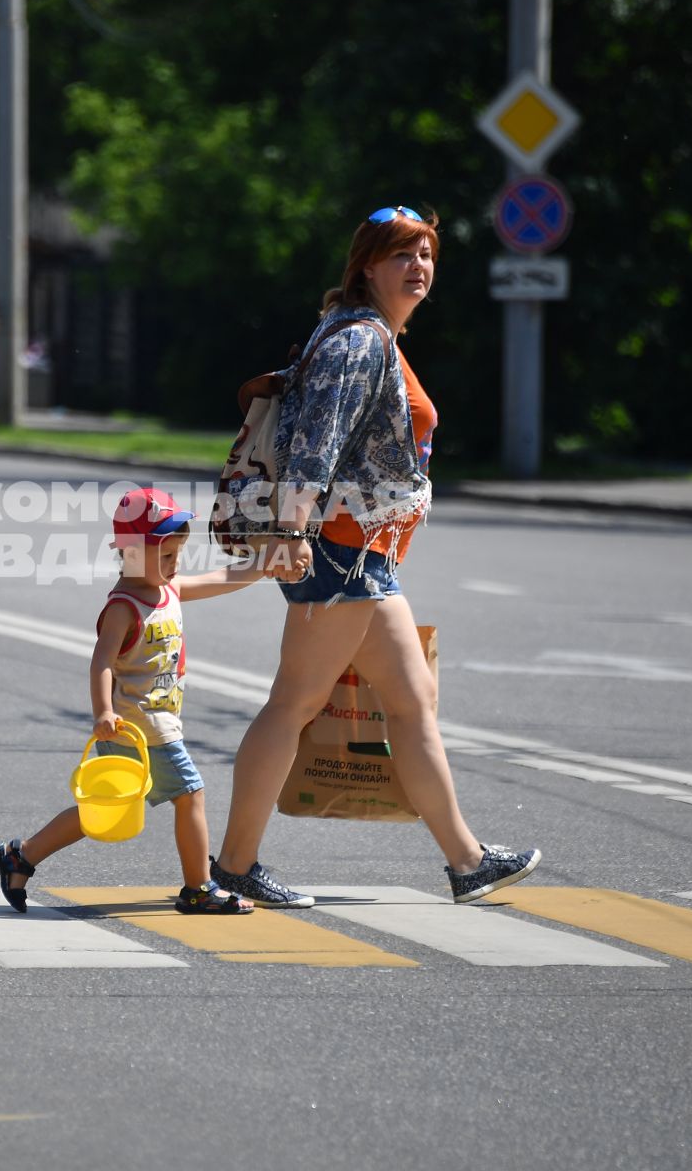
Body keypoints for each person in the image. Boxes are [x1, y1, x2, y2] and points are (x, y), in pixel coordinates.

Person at [209, 205, 542, 908]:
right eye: (401, 255)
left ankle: (467, 860)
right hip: (339, 550)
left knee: (412, 699)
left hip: (368, 554)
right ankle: (234, 865)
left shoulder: (375, 336)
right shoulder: (359, 341)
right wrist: (293, 533)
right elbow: (316, 445)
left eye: (426, 255)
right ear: (367, 266)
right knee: (293, 702)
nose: (417, 268)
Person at [0, 488, 271, 915]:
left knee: (109, 806)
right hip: (138, 725)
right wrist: (102, 711)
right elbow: (101, 663)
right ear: (130, 553)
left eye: (177, 554)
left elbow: (221, 580)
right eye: (164, 556)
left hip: (152, 723)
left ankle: (23, 854)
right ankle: (199, 888)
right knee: (191, 794)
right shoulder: (124, 606)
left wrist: (264, 566)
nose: (174, 564)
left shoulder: (168, 588)